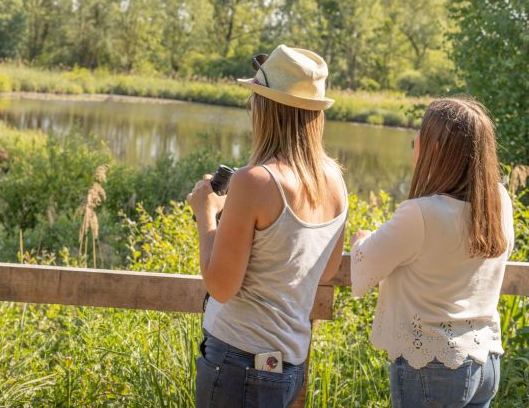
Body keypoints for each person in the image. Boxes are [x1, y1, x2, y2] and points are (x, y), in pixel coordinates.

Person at [187, 45, 348, 408]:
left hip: (237, 362)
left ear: (265, 107)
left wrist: (207, 214)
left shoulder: (255, 181)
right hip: (289, 363)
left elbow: (221, 287)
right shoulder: (335, 180)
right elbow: (330, 268)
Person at [350, 97, 514, 408]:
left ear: (435, 150)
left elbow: (365, 267)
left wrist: (360, 240)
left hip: (433, 366)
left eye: (420, 135)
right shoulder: (499, 202)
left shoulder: (421, 214)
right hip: (485, 358)